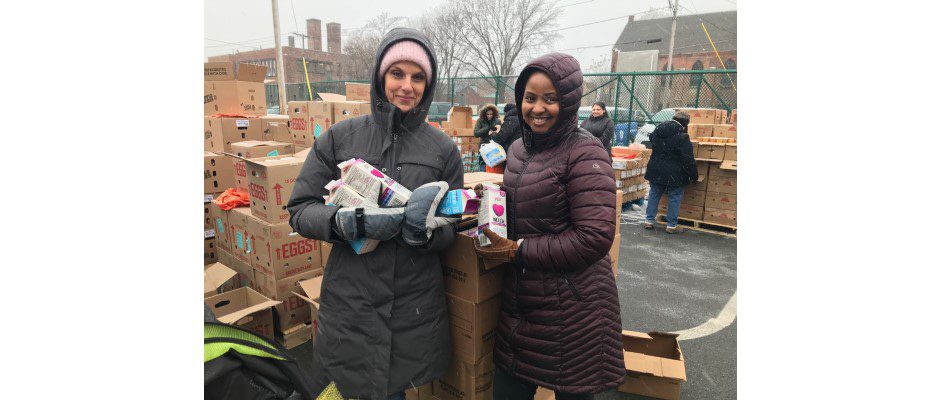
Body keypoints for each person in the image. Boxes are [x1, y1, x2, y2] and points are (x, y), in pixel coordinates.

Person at [286, 28, 463, 400]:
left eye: (418, 77)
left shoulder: (443, 150)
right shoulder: (340, 137)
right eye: (397, 73)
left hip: (412, 305)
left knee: (393, 390)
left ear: (428, 86)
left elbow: (455, 222)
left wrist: (427, 234)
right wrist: (344, 222)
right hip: (352, 301)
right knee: (340, 389)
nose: (407, 86)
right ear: (380, 78)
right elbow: (300, 210)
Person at [473, 53, 625, 400]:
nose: (537, 108)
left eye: (550, 98)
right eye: (530, 97)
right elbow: (530, 209)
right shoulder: (516, 150)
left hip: (575, 312)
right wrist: (493, 200)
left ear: (570, 101)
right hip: (522, 306)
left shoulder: (586, 153)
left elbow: (594, 237)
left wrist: (518, 250)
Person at [643, 111, 697, 233]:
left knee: (654, 194)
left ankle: (649, 220)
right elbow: (688, 159)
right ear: (685, 124)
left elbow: (652, 140)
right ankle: (671, 225)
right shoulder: (683, 137)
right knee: (674, 197)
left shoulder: (658, 131)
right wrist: (694, 175)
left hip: (655, 169)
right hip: (675, 173)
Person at [474, 103, 501, 171]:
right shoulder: (480, 120)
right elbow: (476, 133)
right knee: (483, 166)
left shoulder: (497, 121)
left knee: (493, 166)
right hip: (484, 146)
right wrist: (488, 128)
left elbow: (499, 133)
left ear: (494, 114)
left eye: (491, 114)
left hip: (494, 146)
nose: (489, 116)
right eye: (487, 114)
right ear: (484, 114)